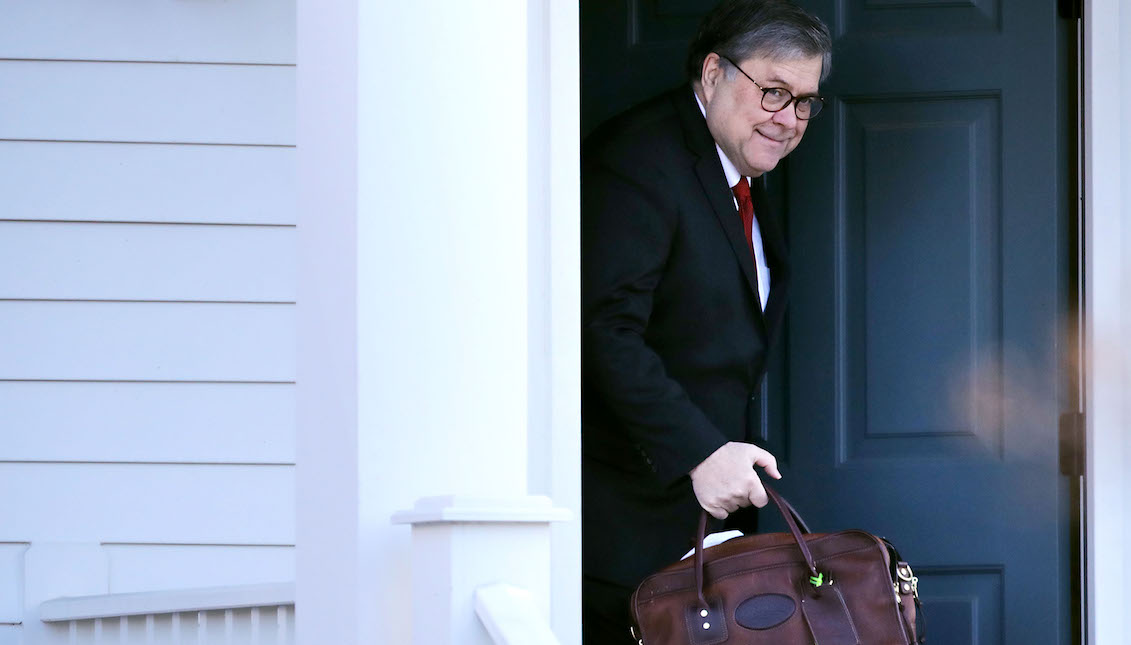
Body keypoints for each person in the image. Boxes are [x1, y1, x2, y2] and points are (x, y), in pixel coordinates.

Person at [580, 1, 833, 642]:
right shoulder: (638, 161)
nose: (789, 119)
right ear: (714, 72)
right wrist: (698, 453)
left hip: (704, 527)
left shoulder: (739, 174)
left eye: (805, 101)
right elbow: (604, 328)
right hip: (627, 529)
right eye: (774, 92)